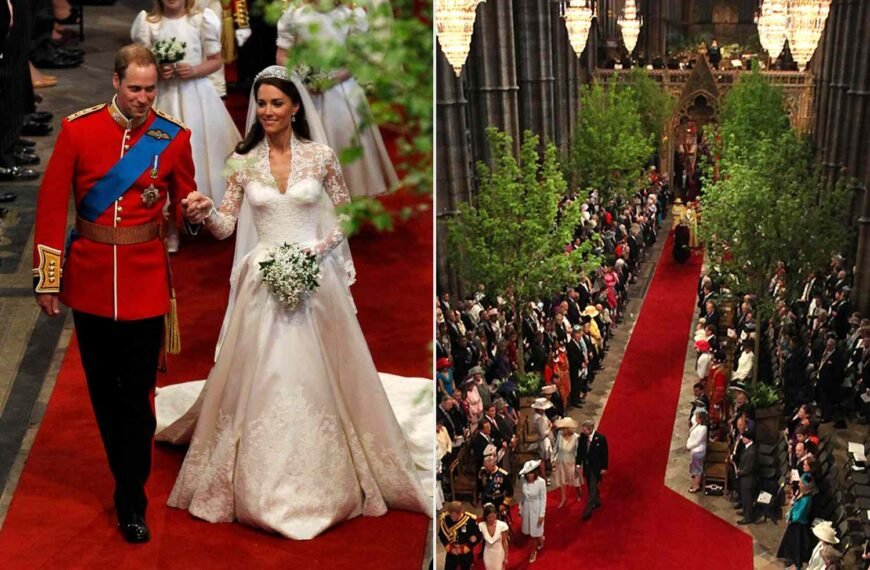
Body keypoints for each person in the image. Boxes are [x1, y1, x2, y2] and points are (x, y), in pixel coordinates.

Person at [165, 65, 429, 538]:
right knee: (266, 372)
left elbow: (349, 214)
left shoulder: (322, 157)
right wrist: (203, 215)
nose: (267, 111)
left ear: (294, 108)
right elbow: (226, 227)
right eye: (261, 103)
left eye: (276, 103)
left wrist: (316, 251)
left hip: (315, 278)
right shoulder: (242, 162)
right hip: (262, 280)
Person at [31, 44, 197, 543]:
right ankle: (124, 474)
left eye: (151, 90)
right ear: (116, 83)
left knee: (138, 397)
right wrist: (49, 278)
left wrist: (195, 213)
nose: (143, 98)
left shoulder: (173, 136)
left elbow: (185, 204)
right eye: (135, 88)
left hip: (146, 283)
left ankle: (131, 497)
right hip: (91, 282)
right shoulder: (78, 130)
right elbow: (51, 206)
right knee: (105, 394)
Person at [131, 0, 242, 252]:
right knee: (161, 159)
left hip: (197, 98)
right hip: (165, 99)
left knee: (200, 156)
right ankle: (169, 225)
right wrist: (158, 72)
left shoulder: (201, 20)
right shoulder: (149, 24)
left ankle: (202, 214)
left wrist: (194, 70)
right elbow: (141, 64)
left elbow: (215, 61)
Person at [276, 1, 398, 198]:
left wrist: (332, 79)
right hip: (305, 93)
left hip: (342, 91)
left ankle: (349, 193)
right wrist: (302, 77)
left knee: (345, 141)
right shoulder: (295, 16)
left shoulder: (352, 17)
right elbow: (283, 56)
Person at [777, 473, 816, 568]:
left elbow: (799, 514)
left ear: (805, 486)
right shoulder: (802, 493)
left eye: (801, 483)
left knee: (796, 545)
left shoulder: (806, 499)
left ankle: (795, 562)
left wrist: (791, 516)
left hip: (798, 525)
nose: (798, 484)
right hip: (794, 523)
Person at [576, 418, 608, 521]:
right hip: (587, 467)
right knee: (590, 485)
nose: (583, 431)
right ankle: (597, 500)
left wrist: (604, 467)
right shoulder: (582, 437)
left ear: (590, 429)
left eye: (584, 429)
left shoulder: (601, 438)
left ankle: (588, 510)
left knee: (593, 487)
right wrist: (578, 463)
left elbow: (604, 454)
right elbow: (580, 451)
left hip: (596, 468)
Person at [438, 501, 482, 570]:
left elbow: (478, 536)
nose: (452, 518)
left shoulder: (470, 521)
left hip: (465, 553)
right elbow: (441, 535)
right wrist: (450, 548)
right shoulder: (446, 519)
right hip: (451, 552)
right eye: (451, 515)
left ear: (460, 512)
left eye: (454, 515)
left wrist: (468, 545)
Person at [518, 459, 547, 564]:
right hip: (526, 508)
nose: (530, 475)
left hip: (537, 509)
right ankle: (541, 538)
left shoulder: (541, 482)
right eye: (528, 473)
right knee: (530, 531)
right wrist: (520, 508)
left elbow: (543, 499)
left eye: (531, 473)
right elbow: (521, 496)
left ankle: (533, 552)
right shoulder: (523, 481)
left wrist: (542, 514)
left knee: (534, 533)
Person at [553, 417, 581, 507]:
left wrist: (578, 464)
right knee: (562, 480)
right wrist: (553, 459)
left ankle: (579, 494)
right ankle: (563, 498)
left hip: (571, 462)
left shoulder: (576, 437)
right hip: (560, 461)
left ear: (569, 428)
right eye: (562, 428)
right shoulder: (559, 434)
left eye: (564, 428)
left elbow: (578, 452)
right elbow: (556, 447)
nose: (562, 430)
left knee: (575, 480)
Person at [735, 429, 759, 524]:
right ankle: (745, 511)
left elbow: (749, 468)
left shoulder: (752, 451)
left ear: (749, 438)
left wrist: (739, 472)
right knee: (744, 496)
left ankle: (748, 517)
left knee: (748, 498)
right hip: (744, 478)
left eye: (744, 437)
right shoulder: (747, 448)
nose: (742, 438)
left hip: (749, 479)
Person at [479, 503, 509, 570]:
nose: (492, 519)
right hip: (488, 554)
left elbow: (504, 542)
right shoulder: (481, 526)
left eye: (493, 516)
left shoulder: (502, 525)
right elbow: (479, 539)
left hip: (499, 553)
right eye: (489, 517)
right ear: (485, 517)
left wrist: (506, 557)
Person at [687, 410, 708, 493]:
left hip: (698, 451)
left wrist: (689, 446)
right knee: (695, 467)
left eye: (697, 417)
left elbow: (697, 441)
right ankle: (695, 482)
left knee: (697, 469)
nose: (695, 418)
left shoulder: (703, 428)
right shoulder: (697, 424)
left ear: (701, 419)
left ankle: (696, 486)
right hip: (694, 450)